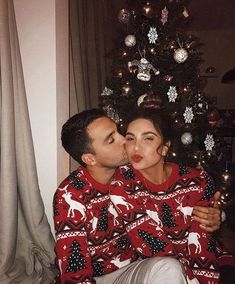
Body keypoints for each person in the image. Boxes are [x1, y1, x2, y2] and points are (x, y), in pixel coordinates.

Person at [53, 108, 221, 284]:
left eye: (119, 131)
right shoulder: (70, 195)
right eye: (111, 140)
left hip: (135, 268)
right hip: (97, 277)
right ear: (90, 159)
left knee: (169, 269)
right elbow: (74, 272)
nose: (125, 140)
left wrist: (210, 216)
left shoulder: (132, 172)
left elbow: (176, 192)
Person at [109, 107, 235, 284]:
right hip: (162, 267)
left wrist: (203, 280)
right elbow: (151, 245)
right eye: (130, 138)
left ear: (165, 147)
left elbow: (201, 240)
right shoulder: (122, 184)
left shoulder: (198, 180)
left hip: (208, 263)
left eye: (148, 138)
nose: (136, 147)